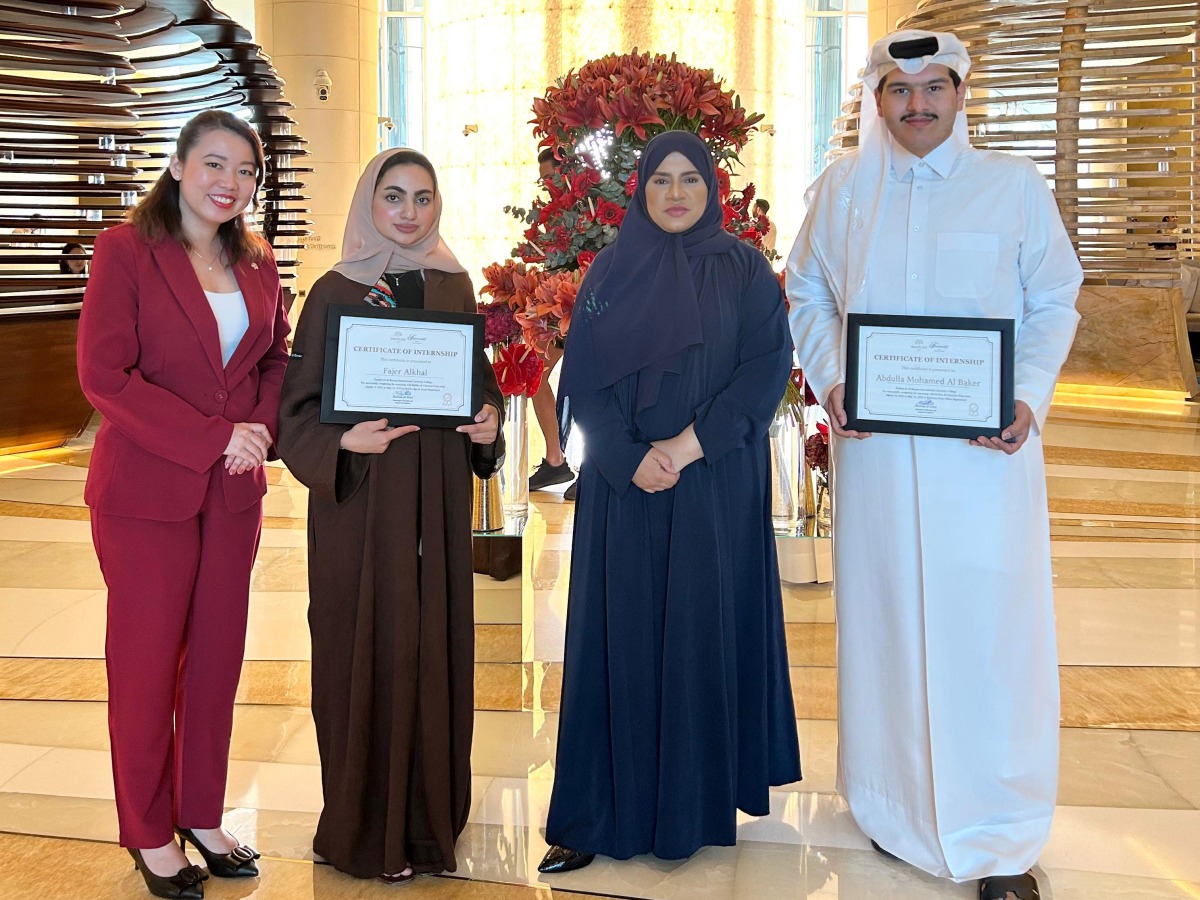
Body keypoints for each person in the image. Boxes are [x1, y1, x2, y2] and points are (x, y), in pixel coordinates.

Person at [786, 30, 1082, 900]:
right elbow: (804, 290)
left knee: (988, 639)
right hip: (879, 461)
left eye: (933, 88)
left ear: (959, 97)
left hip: (982, 465)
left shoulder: (1012, 187)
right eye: (898, 90)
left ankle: (999, 834)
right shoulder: (844, 191)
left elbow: (1054, 297)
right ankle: (893, 808)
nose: (916, 105)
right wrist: (834, 381)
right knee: (886, 627)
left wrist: (1026, 396)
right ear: (877, 101)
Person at [539, 130, 800, 874]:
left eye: (690, 179)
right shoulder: (608, 273)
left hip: (713, 482)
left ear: (711, 188)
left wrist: (685, 449)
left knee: (697, 631)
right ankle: (590, 813)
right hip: (626, 492)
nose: (676, 193)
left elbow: (763, 370)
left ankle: (692, 807)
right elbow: (582, 381)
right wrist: (625, 458)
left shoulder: (745, 270)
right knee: (614, 639)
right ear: (641, 189)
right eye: (661, 180)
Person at [275, 148, 504, 884]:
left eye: (424, 198)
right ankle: (361, 830)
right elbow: (295, 414)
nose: (409, 213)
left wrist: (488, 426)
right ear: (368, 203)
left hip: (434, 511)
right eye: (393, 196)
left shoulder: (453, 285)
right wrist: (344, 439)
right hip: (360, 510)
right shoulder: (333, 290)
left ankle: (430, 830)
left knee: (431, 652)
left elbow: (478, 389)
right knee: (360, 652)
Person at [77, 109, 290, 898]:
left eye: (244, 172)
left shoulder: (260, 261)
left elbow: (276, 358)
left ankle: (201, 811)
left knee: (215, 661)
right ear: (178, 166)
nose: (228, 183)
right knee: (144, 666)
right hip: (146, 492)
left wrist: (257, 430)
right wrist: (212, 437)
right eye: (213, 165)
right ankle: (147, 830)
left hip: (232, 493)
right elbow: (106, 376)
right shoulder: (126, 252)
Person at [528, 147, 577, 497]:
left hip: (583, 308)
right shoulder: (553, 213)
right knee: (535, 376)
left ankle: (591, 466)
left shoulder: (583, 208)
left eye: (552, 178)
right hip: (555, 308)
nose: (548, 185)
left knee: (590, 385)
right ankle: (555, 459)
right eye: (545, 179)